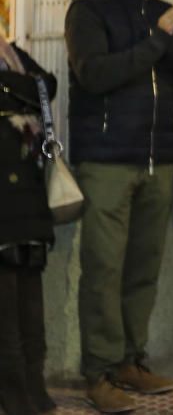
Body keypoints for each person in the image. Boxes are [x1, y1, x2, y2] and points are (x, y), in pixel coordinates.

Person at [65, 0, 173, 413]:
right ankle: (99, 371)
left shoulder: (160, 12)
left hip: (158, 160)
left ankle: (130, 360)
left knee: (142, 268)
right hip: (105, 160)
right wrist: (157, 40)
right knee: (103, 269)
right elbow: (95, 74)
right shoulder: (88, 11)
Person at [0, 36, 57, 414]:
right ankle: (15, 393)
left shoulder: (10, 51)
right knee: (5, 303)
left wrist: (11, 88)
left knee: (29, 301)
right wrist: (21, 90)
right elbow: (32, 89)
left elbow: (46, 86)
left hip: (27, 190)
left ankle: (34, 387)